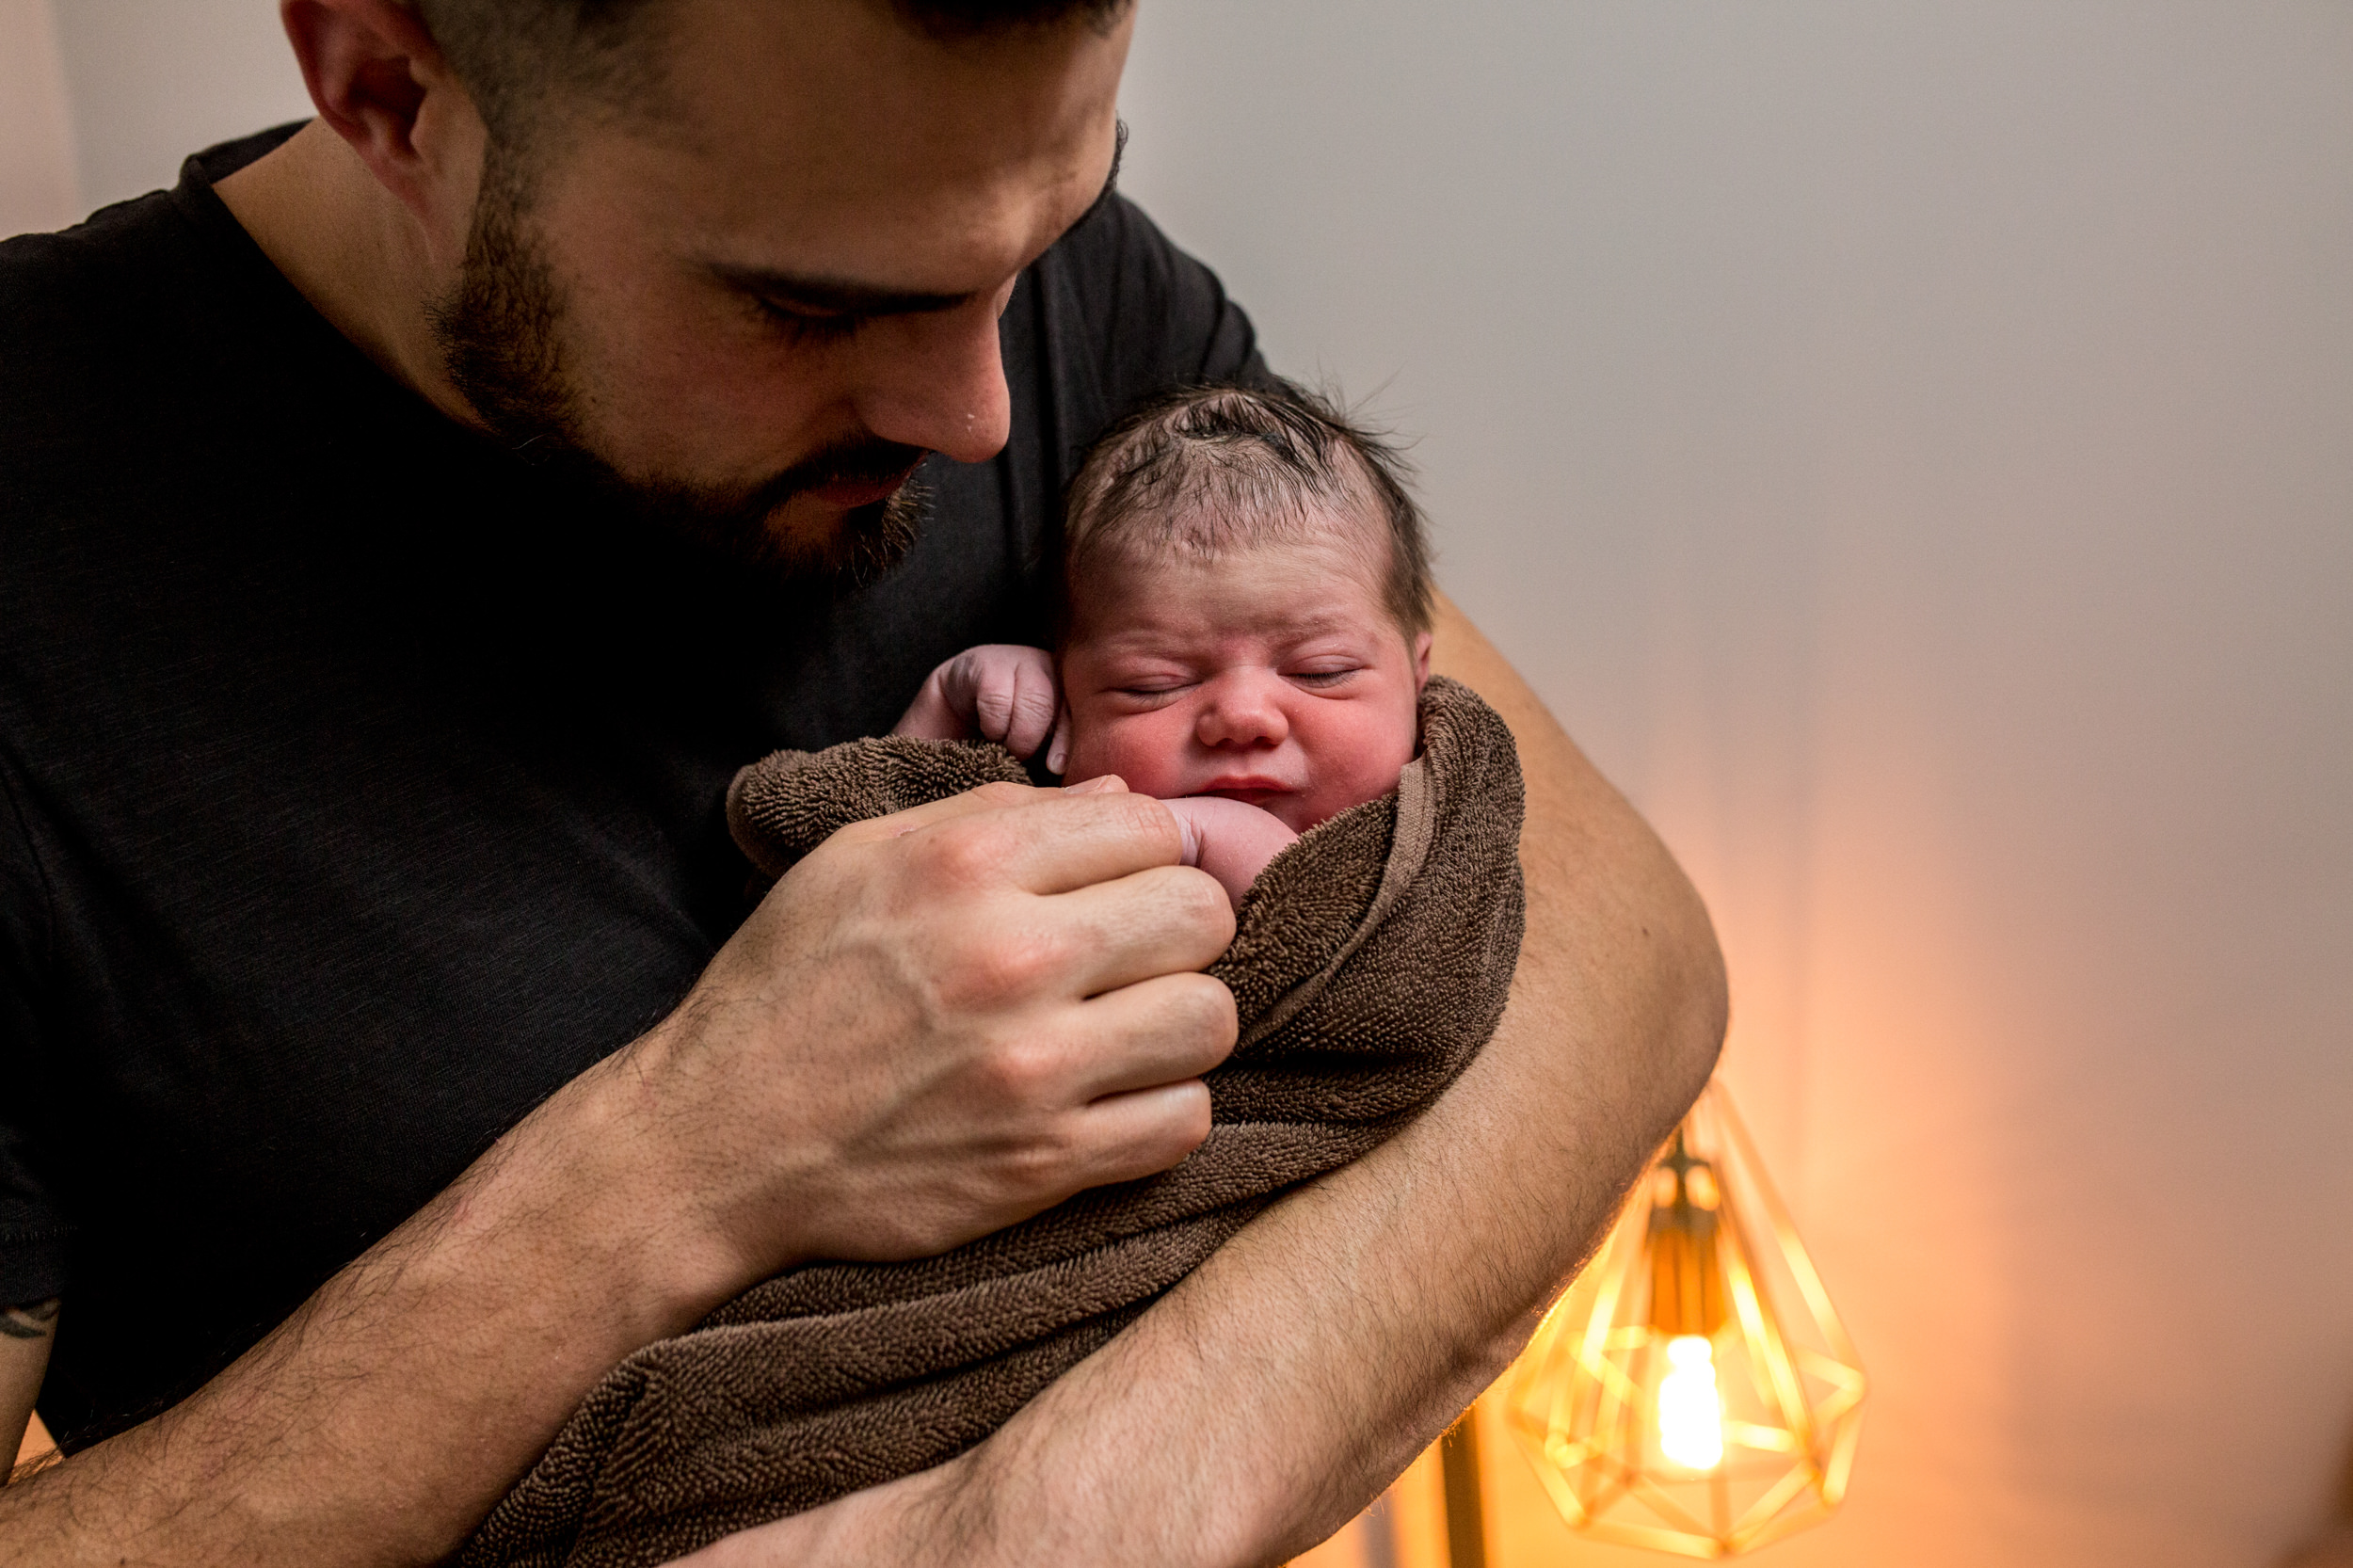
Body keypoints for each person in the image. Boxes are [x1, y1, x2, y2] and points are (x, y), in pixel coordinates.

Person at [0, 2, 1726, 1564]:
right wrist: (684, 1159)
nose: (980, 411)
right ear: (386, 87)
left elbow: (1623, 946)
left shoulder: (979, 242)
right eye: (810, 307)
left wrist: (1030, 1523)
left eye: (1049, 234)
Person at [893, 378, 1432, 904]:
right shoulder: (1028, 784)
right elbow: (870, 862)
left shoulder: (1444, 830)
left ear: (1417, 675)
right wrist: (945, 713)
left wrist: (1200, 837)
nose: (1242, 717)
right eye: (1153, 685)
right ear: (1067, 700)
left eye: (1321, 671)